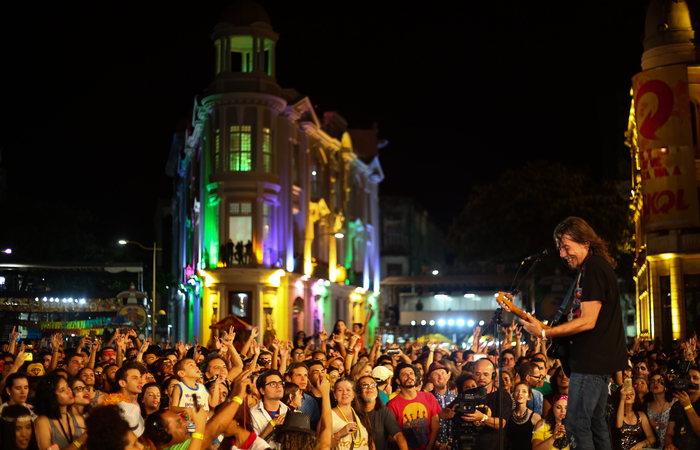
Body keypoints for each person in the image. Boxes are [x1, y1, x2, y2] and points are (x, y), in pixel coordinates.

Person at [521, 217, 628, 450]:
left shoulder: (595, 267)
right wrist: (546, 329)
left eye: (565, 246)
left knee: (576, 423)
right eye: (560, 247)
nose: (562, 253)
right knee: (596, 423)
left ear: (585, 242)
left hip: (592, 360)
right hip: (596, 359)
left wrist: (545, 333)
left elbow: (588, 321)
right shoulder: (590, 268)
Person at [386, 363, 451, 450]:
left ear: (416, 378)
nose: (409, 376)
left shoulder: (429, 397)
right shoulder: (392, 404)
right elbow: (391, 436)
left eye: (411, 373)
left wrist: (429, 447)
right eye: (404, 374)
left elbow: (435, 428)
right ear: (398, 381)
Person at [34, 372, 88, 450]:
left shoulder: (78, 419)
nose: (69, 391)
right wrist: (79, 441)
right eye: (62, 390)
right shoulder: (42, 421)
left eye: (68, 386)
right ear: (51, 397)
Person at [355, 375, 408, 450]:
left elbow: (398, 435)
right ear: (358, 391)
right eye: (365, 385)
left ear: (377, 391)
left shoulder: (384, 411)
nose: (370, 387)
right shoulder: (352, 412)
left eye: (373, 384)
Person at [330, 378, 374, 450]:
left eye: (348, 390)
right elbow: (321, 446)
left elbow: (371, 442)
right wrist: (339, 434)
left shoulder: (361, 414)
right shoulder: (329, 415)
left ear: (353, 394)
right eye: (340, 390)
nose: (344, 393)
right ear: (334, 395)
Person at [664, 364, 700, 449]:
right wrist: (669, 445)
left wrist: (688, 406)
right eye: (687, 378)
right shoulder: (677, 405)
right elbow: (669, 434)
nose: (691, 381)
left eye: (695, 378)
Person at [250, 370, 289, 440]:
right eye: (273, 384)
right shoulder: (252, 414)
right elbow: (254, 447)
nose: (279, 386)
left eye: (280, 383)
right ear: (262, 391)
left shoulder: (289, 411)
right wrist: (272, 424)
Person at [508, 382, 542, 450]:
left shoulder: (535, 417)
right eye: (517, 390)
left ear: (529, 397)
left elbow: (539, 443)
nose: (520, 393)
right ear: (513, 395)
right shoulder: (508, 415)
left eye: (524, 391)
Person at [644, 372, 675, 448]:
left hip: (671, 445)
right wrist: (649, 424)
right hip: (652, 446)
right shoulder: (646, 405)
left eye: (659, 381)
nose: (655, 383)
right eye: (652, 381)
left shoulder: (674, 403)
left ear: (666, 387)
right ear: (650, 388)